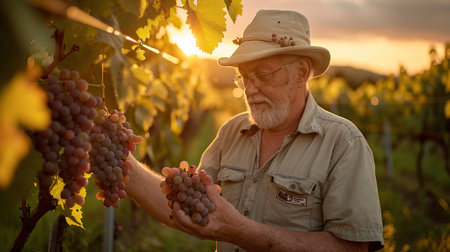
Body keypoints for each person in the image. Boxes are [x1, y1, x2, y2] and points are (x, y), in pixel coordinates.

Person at [125, 9, 384, 252]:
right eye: (245, 77)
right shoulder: (231, 132)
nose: (249, 89)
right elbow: (184, 207)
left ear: (302, 72)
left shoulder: (343, 143)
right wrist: (123, 161)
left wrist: (241, 232)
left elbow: (352, 248)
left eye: (263, 74)